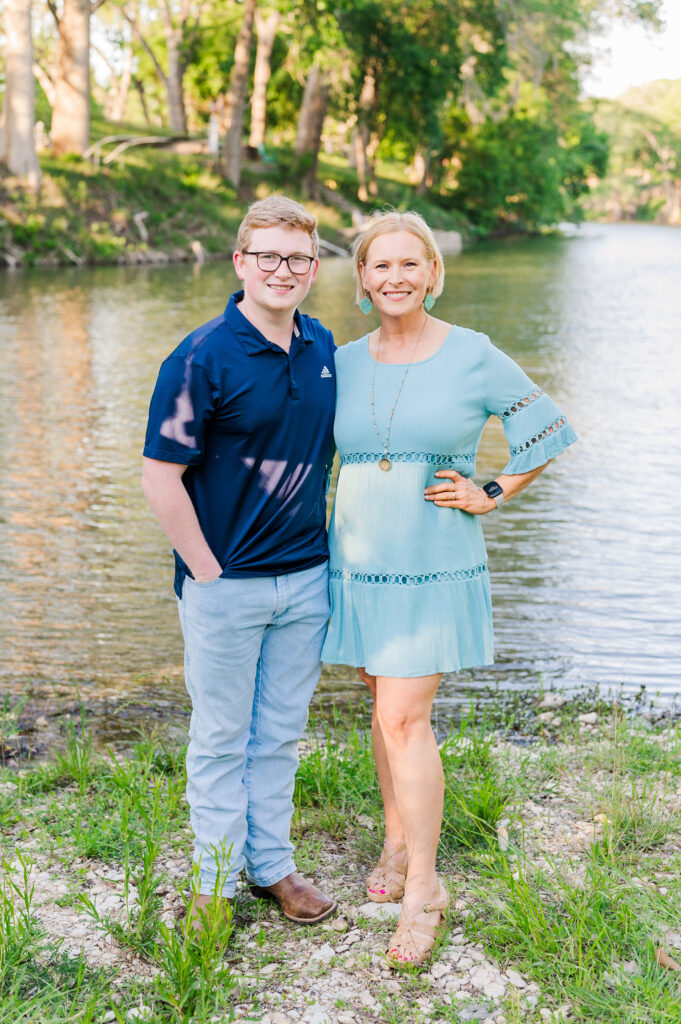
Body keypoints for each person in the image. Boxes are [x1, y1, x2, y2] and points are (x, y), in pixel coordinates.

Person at [322, 211, 576, 965]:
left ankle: (424, 886)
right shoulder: (342, 360)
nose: (393, 277)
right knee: (381, 704)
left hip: (432, 554)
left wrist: (492, 489)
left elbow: (547, 429)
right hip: (359, 557)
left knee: (404, 716)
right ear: (361, 280)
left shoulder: (472, 353)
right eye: (378, 266)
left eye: (409, 264)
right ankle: (397, 843)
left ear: (432, 272)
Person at [142, 196, 337, 932]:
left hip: (307, 578)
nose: (281, 271)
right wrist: (206, 571)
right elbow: (159, 477)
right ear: (239, 262)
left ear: (312, 269)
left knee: (281, 732)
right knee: (222, 735)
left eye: (296, 259)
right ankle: (214, 884)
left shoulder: (318, 346)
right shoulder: (199, 358)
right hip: (224, 584)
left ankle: (273, 866)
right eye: (267, 256)